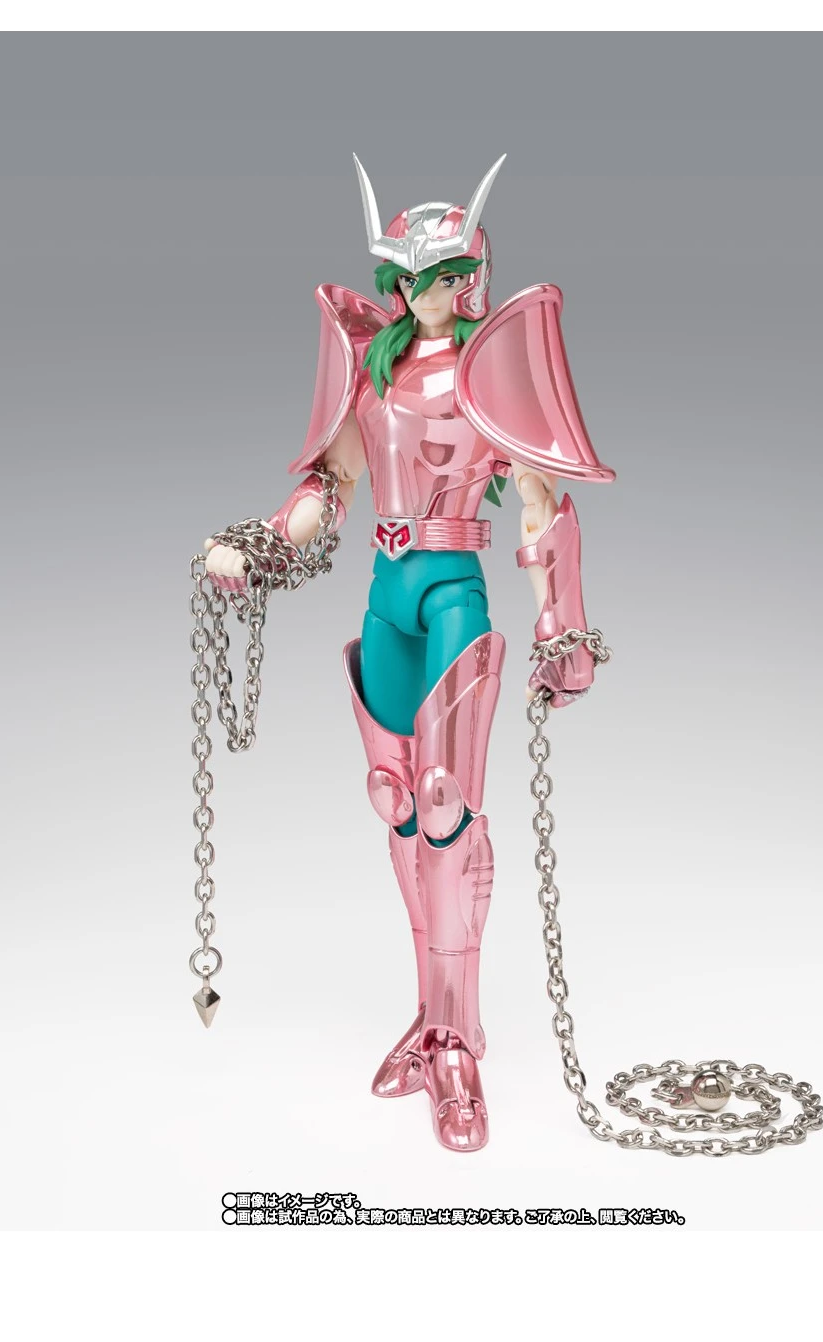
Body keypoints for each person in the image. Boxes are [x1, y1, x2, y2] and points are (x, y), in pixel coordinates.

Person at [206, 155, 615, 1151]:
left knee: (444, 804)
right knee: (395, 799)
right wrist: (262, 547)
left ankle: (455, 1047)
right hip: (386, 596)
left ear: (470, 273)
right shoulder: (375, 370)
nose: (431, 290)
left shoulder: (489, 373)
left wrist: (562, 628)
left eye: (447, 274)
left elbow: (540, 500)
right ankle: (436, 1020)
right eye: (415, 275)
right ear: (395, 280)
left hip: (452, 592)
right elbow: (331, 486)